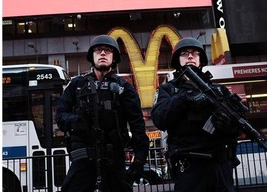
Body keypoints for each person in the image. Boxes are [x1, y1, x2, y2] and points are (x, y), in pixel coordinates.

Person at [56, 34, 149, 192]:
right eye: (99, 51)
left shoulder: (124, 88)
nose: (103, 53)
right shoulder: (77, 85)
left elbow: (137, 125)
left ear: (114, 57)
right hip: (83, 157)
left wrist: (139, 160)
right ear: (92, 56)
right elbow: (60, 115)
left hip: (114, 157)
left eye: (108, 51)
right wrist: (76, 122)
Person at [151, 37, 241, 192]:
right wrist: (184, 98)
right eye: (185, 54)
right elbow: (160, 118)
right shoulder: (169, 90)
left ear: (201, 59)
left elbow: (238, 125)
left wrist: (227, 124)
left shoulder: (218, 90)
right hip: (189, 166)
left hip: (219, 166)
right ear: (177, 60)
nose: (190, 56)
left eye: (195, 53)